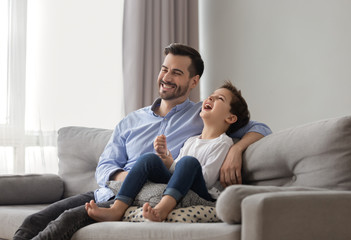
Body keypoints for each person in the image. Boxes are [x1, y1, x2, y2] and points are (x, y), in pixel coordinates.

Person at [13, 43, 271, 240]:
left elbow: (260, 128)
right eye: (164, 69)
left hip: (146, 196)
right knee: (35, 220)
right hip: (109, 191)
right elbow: (105, 166)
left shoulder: (203, 115)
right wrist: (130, 177)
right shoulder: (130, 121)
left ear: (193, 81)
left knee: (64, 222)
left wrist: (237, 149)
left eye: (177, 72)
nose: (167, 77)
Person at [85, 81, 248, 222]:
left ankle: (162, 209)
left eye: (220, 98)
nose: (211, 97)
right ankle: (117, 208)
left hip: (202, 194)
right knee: (149, 159)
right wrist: (167, 157)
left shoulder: (223, 143)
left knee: (188, 162)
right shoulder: (192, 140)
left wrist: (179, 168)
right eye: (211, 95)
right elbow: (176, 169)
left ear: (230, 118)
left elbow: (207, 179)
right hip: (181, 186)